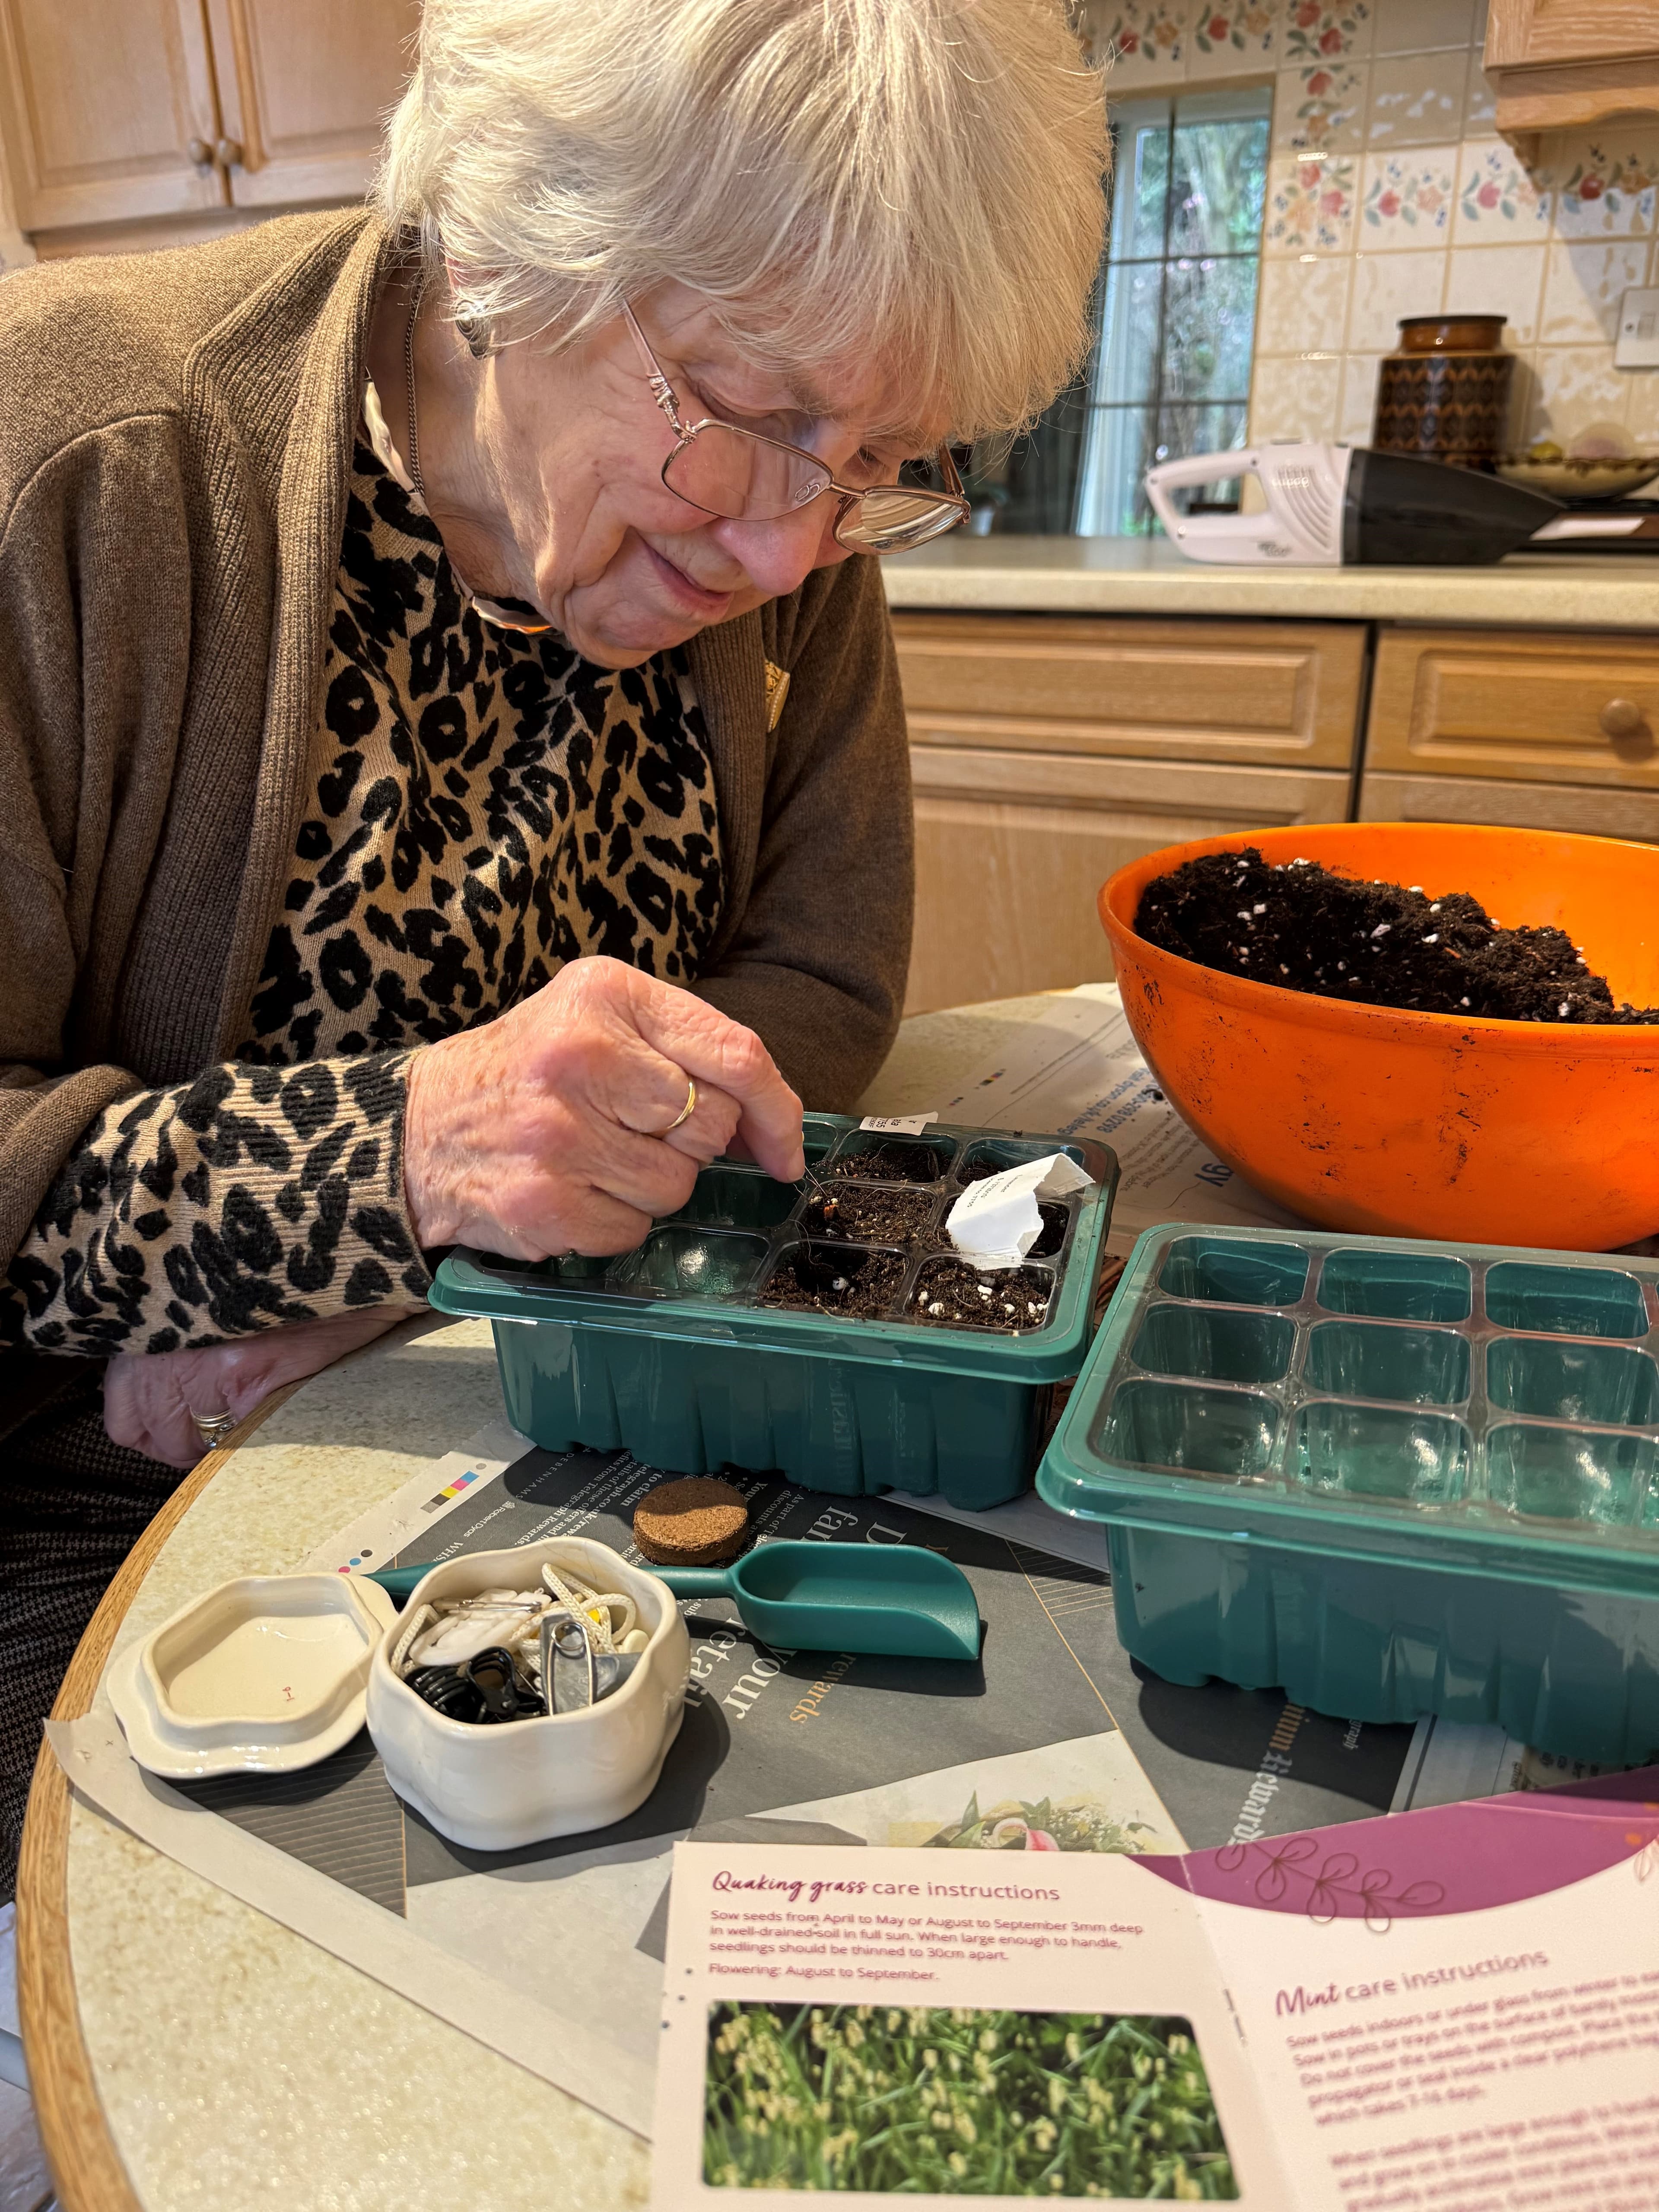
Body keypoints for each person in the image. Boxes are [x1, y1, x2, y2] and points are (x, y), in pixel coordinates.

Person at [0, 0, 1107, 1885]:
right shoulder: (91, 462)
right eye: (753, 412)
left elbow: (818, 989)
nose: (793, 551)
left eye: (887, 459)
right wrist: (394, 1159)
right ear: (515, 246)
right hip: (90, 1487)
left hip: (544, 1390)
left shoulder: (779, 538)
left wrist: (428, 1267)